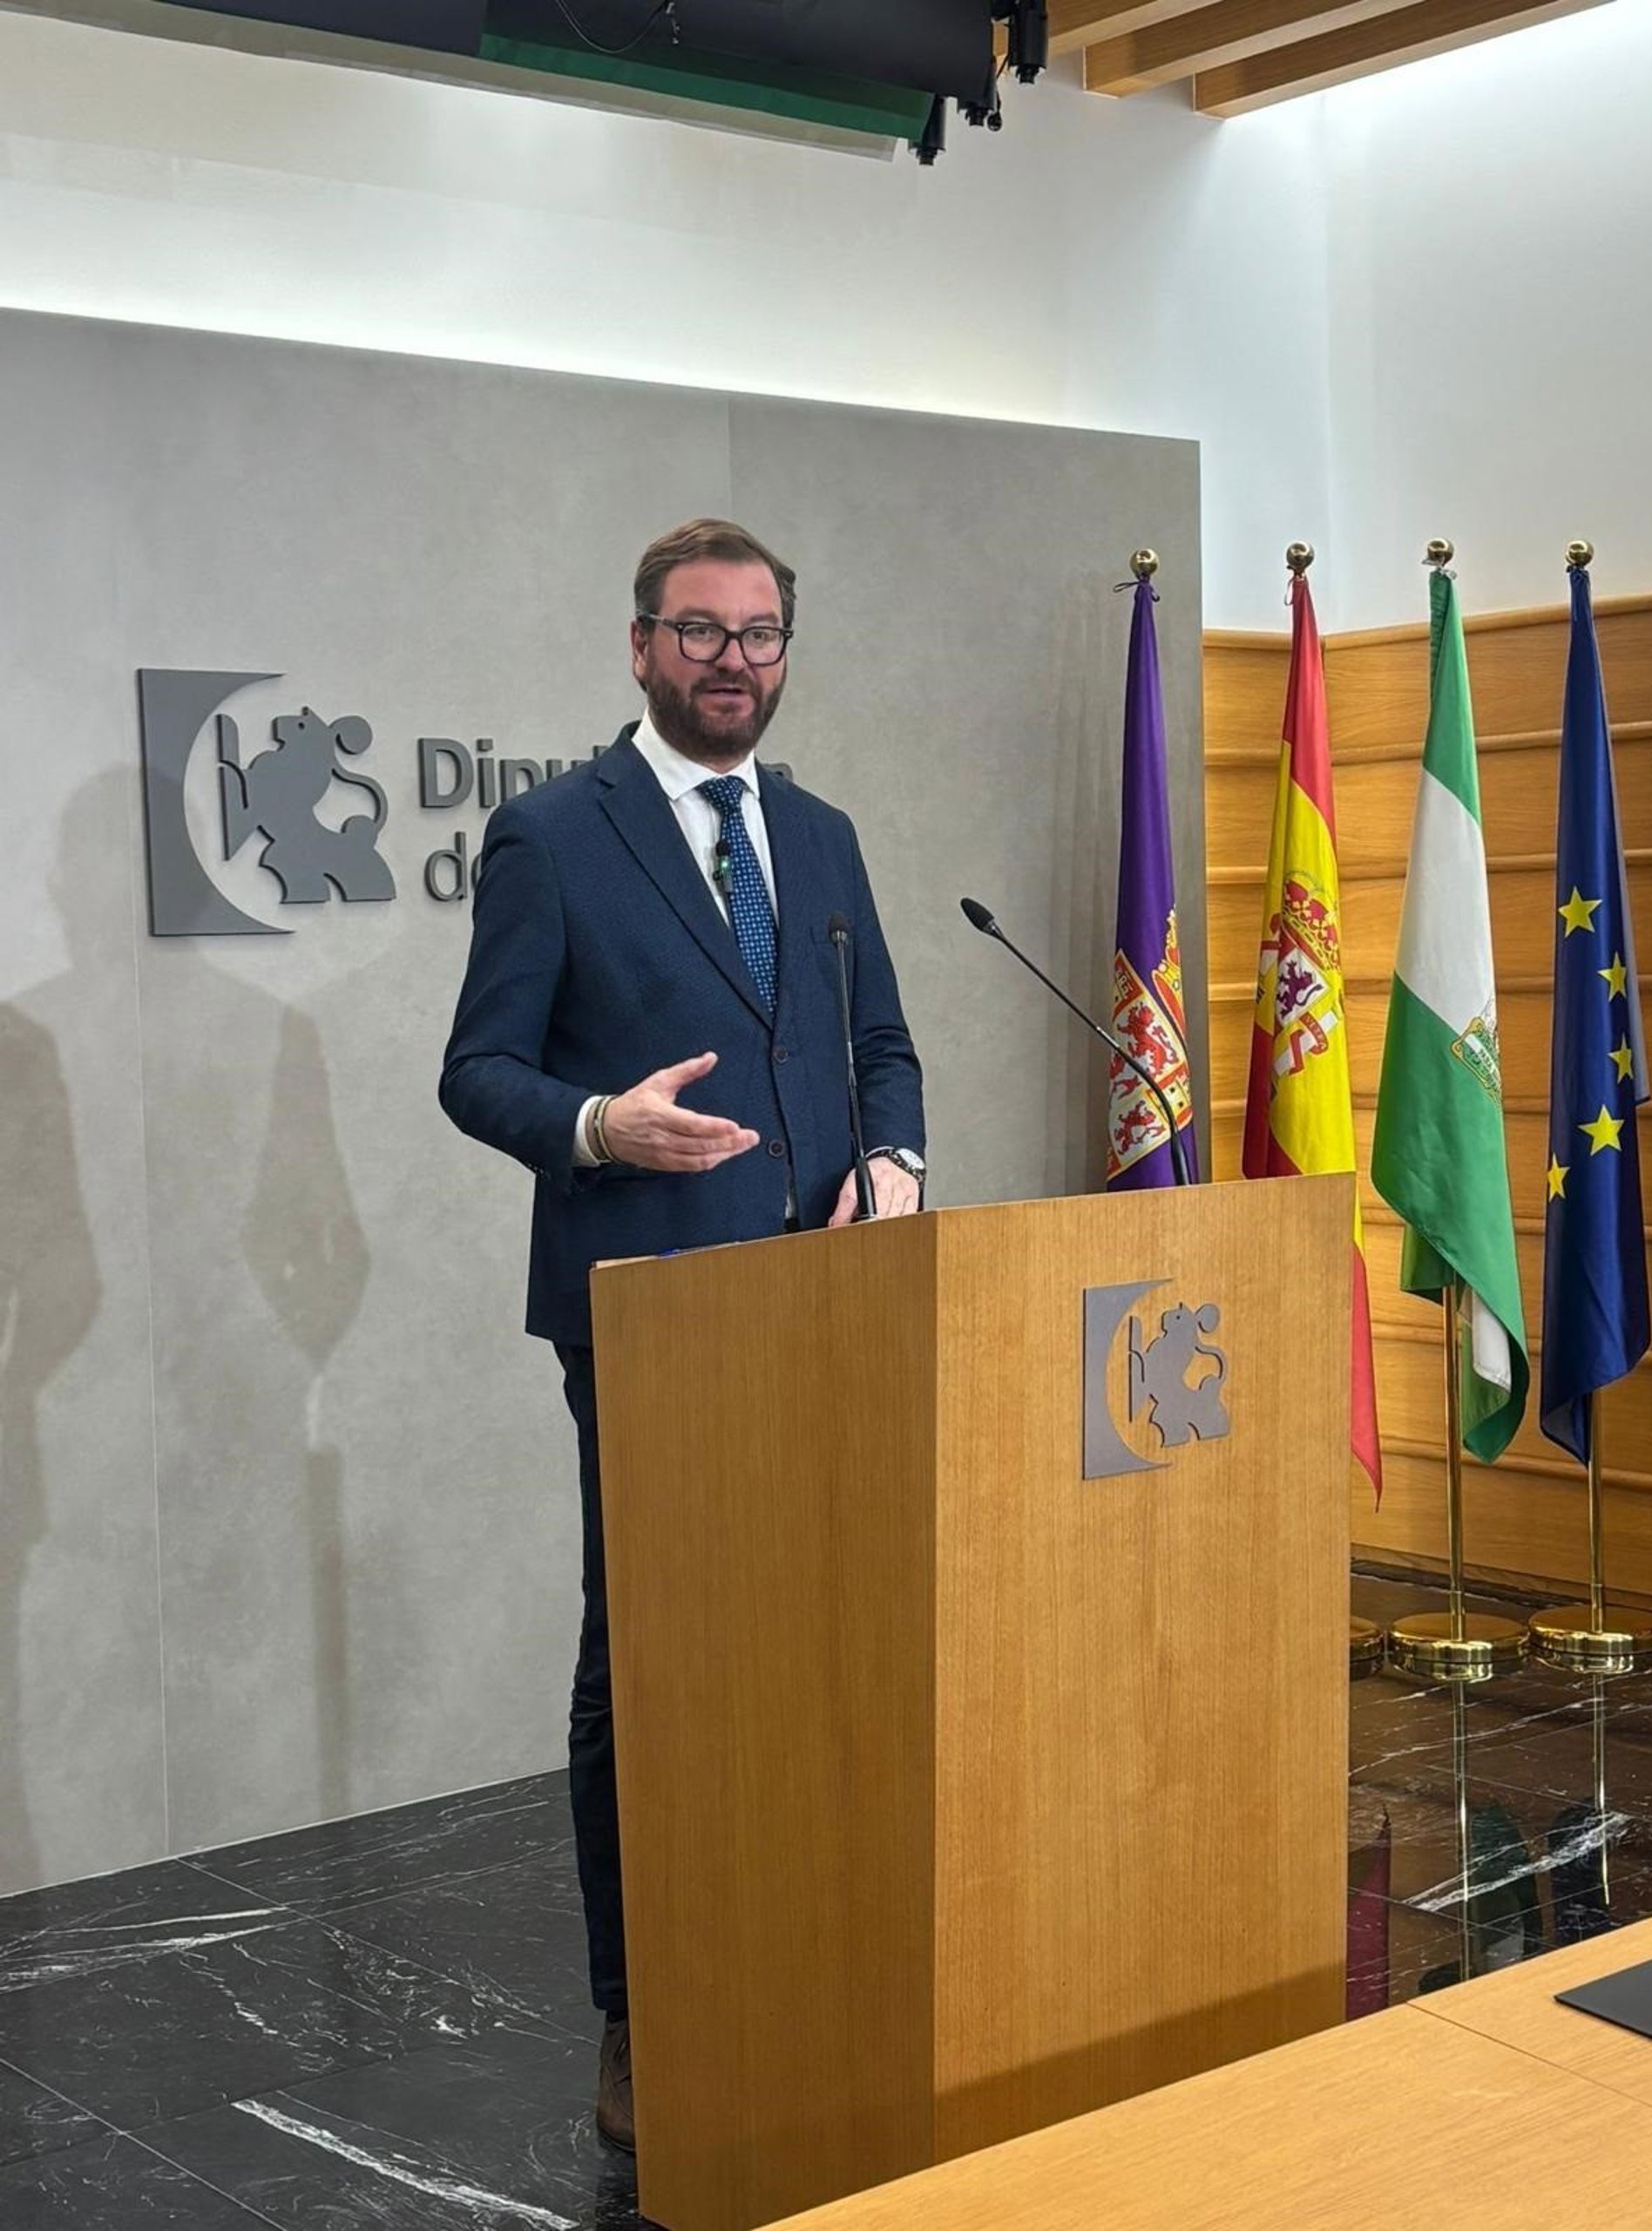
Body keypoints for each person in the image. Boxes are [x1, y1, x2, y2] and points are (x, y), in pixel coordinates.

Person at [438, 518, 926, 2153]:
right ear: (642, 645)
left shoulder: (823, 834)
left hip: (831, 1305)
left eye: (761, 633)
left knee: (818, 1646)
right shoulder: (552, 834)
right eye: (702, 631)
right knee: (647, 1661)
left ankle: (797, 1951)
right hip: (654, 1316)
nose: (734, 660)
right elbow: (477, 1071)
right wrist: (597, 1126)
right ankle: (640, 2012)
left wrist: (895, 1160)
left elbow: (880, 1044)